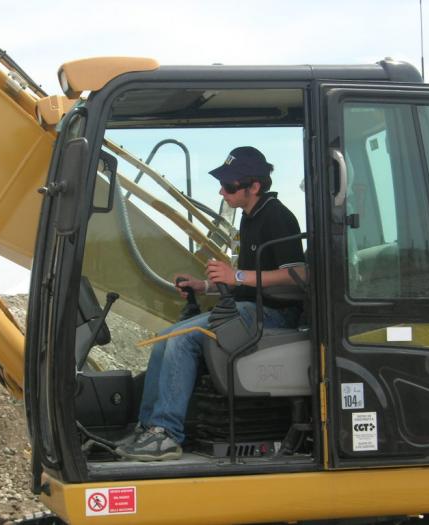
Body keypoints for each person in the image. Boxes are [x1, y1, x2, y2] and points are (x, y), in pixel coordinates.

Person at [116, 146, 305, 462]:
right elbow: (240, 282)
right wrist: (204, 285)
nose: (222, 191)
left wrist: (237, 275)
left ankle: (166, 434)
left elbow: (299, 273)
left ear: (254, 186)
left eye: (230, 186)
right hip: (245, 309)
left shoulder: (277, 215)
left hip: (272, 316)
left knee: (183, 341)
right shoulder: (249, 218)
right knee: (166, 339)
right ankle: (148, 428)